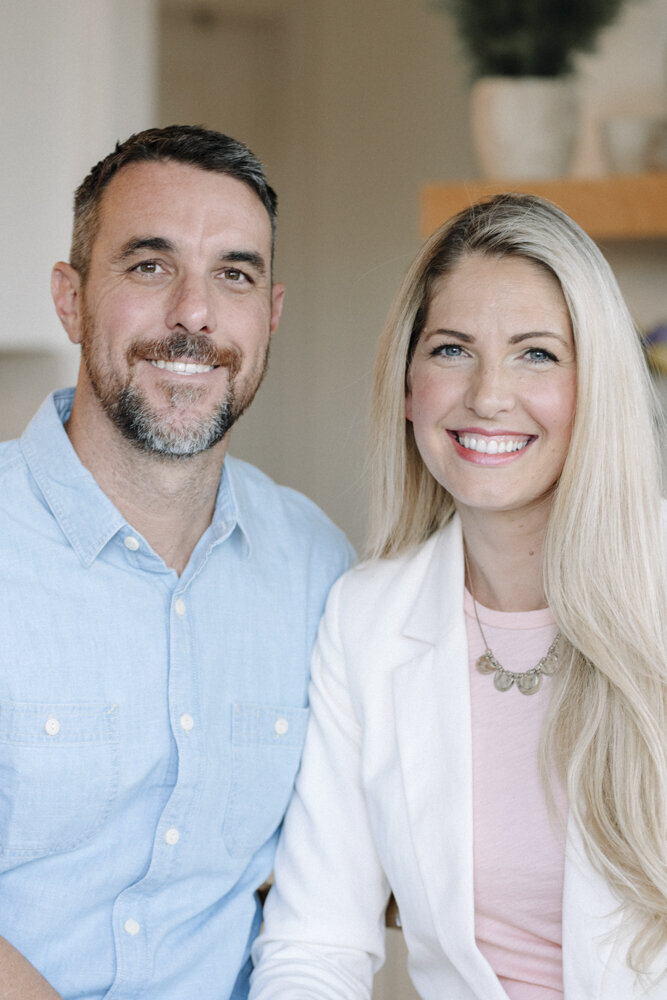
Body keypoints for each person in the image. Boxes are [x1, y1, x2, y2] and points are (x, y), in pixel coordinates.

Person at [249, 194, 667, 999]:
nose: (487, 395)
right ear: (408, 385)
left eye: (536, 354)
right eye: (451, 350)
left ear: (598, 386)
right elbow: (315, 944)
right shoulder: (365, 620)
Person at [0, 125, 353, 1000]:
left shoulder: (317, 564)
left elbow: (363, 851)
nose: (194, 314)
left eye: (232, 274)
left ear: (268, 315)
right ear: (71, 298)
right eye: (150, 266)